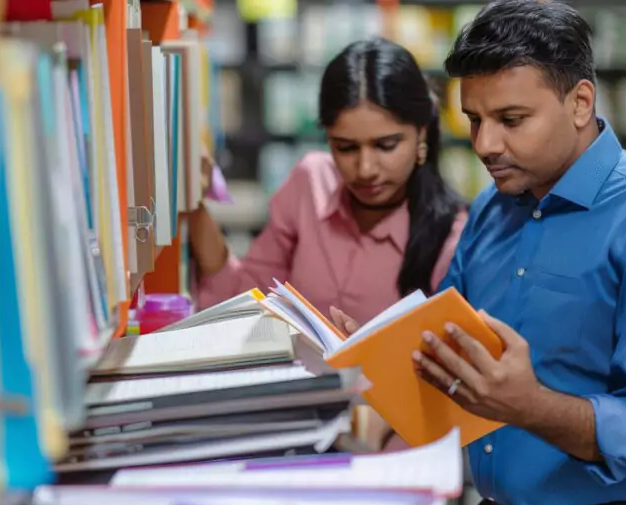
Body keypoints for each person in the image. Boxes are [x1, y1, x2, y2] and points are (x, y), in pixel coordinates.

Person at [403, 1, 626, 505]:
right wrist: (379, 350)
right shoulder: (493, 206)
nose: (485, 145)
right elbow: (450, 339)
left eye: (512, 120)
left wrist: (529, 404)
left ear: (580, 102)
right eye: (474, 120)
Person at [189, 37, 466, 328]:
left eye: (386, 146)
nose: (366, 169)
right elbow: (244, 295)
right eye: (345, 148)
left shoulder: (452, 236)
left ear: (421, 134)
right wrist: (191, 203)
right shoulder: (310, 184)